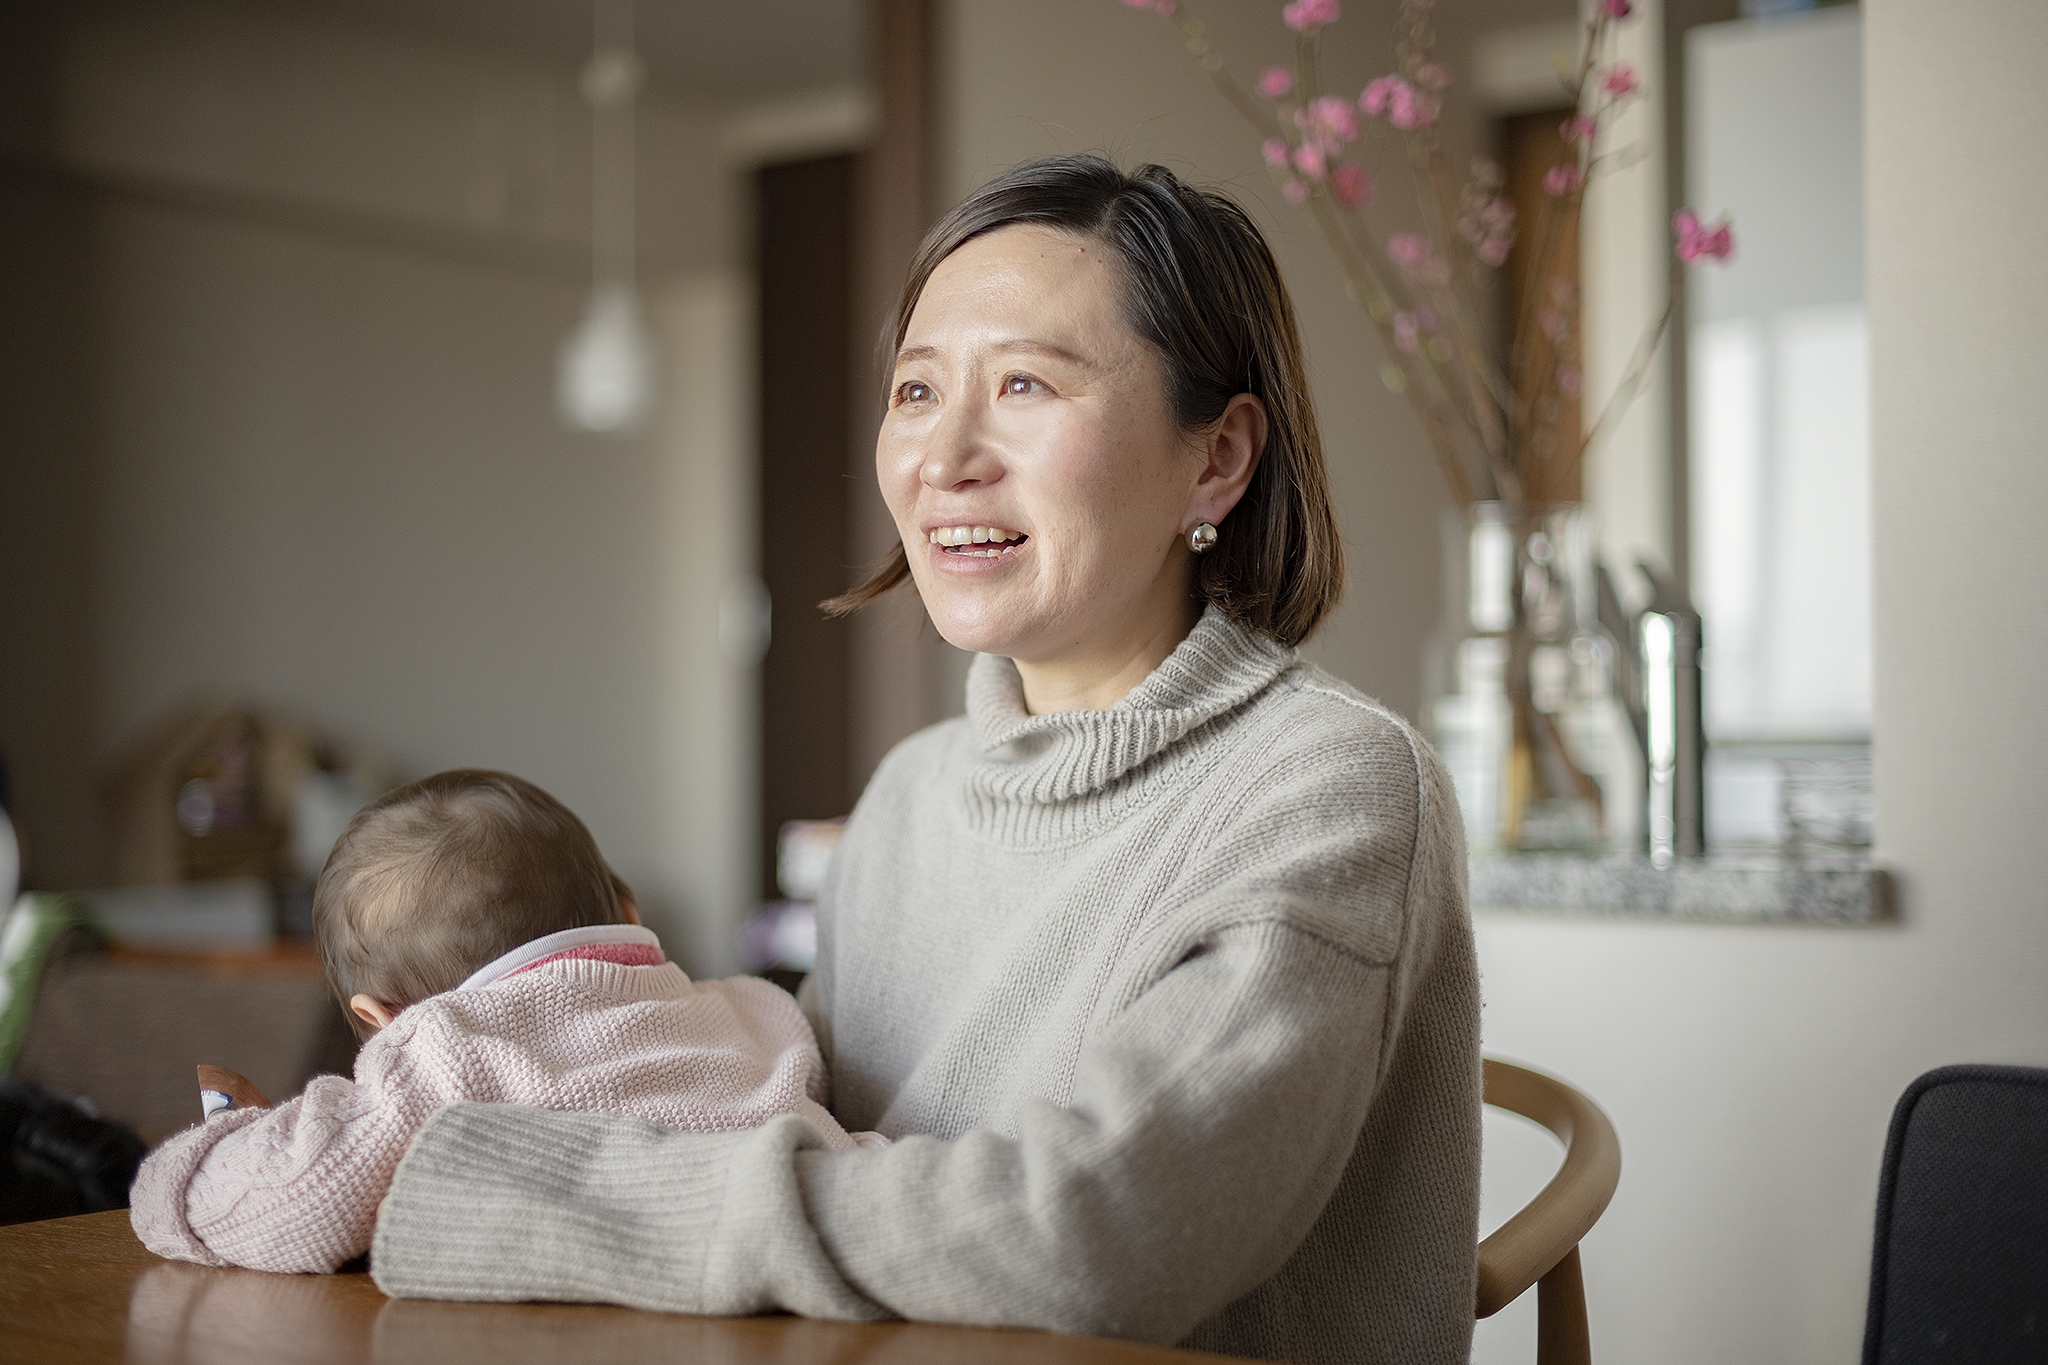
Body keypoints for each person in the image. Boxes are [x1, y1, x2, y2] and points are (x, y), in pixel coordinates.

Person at [367, 155, 1481, 1365]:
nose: (943, 456)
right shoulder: (906, 795)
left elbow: (1086, 1240)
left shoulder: (1331, 787)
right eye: (913, 390)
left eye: (1022, 385)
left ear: (1214, 459)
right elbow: (777, 1131)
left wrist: (523, 1200)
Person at [129, 769, 874, 1275]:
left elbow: (294, 1193)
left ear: (384, 1018)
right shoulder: (756, 1007)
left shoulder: (446, 1053)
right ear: (629, 913)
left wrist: (184, 1172)